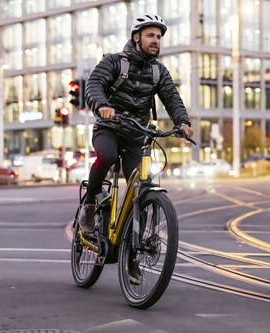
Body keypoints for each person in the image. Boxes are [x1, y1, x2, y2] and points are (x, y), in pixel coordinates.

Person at [79, 14, 194, 237]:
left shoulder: (159, 71)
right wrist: (102, 105)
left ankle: (132, 248)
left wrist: (183, 122)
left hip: (137, 134)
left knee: (141, 186)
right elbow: (94, 84)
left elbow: (172, 98)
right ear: (136, 37)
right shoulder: (114, 61)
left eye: (159, 37)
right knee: (108, 157)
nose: (156, 40)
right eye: (150, 35)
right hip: (109, 127)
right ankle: (90, 204)